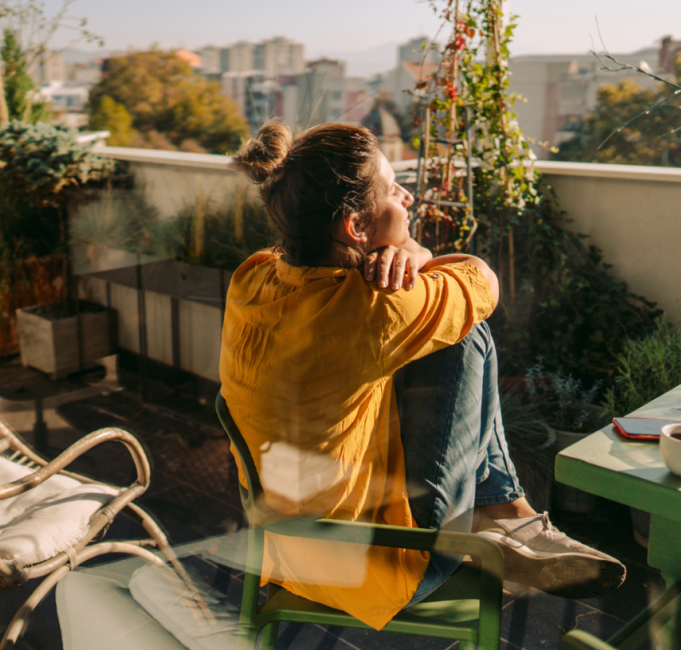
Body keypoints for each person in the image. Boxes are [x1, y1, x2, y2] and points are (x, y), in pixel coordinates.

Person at [218, 121, 624, 630]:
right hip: (378, 563)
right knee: (465, 334)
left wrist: (410, 254)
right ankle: (504, 515)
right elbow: (483, 283)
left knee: (432, 336)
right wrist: (416, 255)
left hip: (283, 550)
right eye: (392, 189)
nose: (407, 197)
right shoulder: (375, 310)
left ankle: (505, 515)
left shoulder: (252, 276)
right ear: (355, 228)